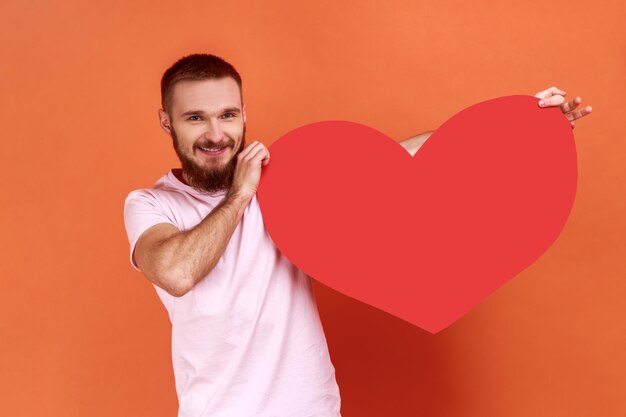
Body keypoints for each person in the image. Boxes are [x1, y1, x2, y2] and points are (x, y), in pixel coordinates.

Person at [123, 53, 592, 417]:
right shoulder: (152, 204)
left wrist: (527, 124)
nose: (215, 133)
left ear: (244, 114)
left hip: (311, 407)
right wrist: (241, 195)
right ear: (167, 122)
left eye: (227, 115)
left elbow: (410, 159)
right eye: (195, 118)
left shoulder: (280, 181)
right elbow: (177, 273)